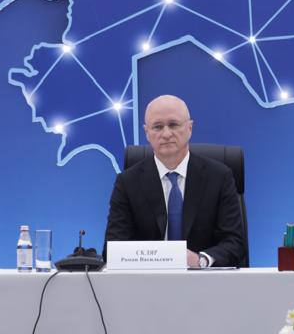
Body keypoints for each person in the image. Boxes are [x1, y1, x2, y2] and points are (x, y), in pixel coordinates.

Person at [104, 95, 247, 267]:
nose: (166, 134)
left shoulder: (219, 177)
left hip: (204, 279)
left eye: (173, 124)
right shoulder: (127, 182)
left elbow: (235, 244)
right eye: (157, 127)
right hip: (147, 279)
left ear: (189, 128)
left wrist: (200, 260)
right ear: (147, 133)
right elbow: (113, 248)